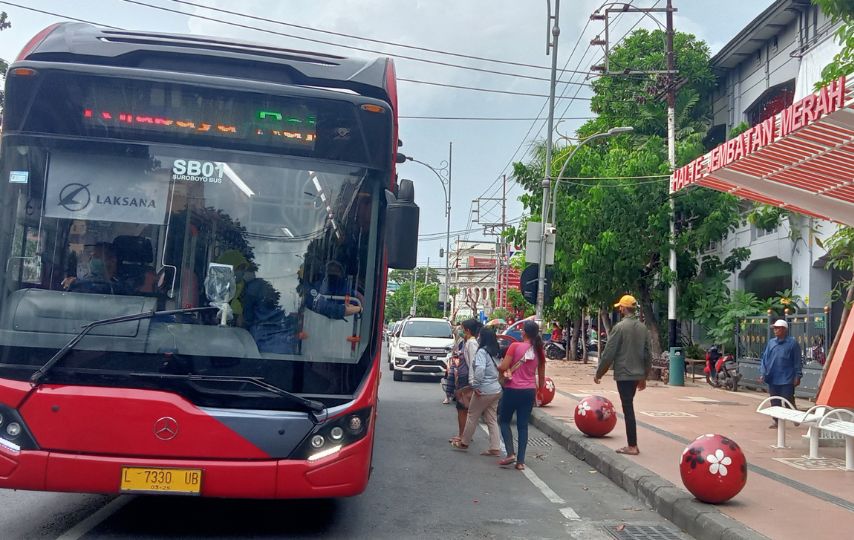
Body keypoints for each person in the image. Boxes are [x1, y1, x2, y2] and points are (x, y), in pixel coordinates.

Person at [594, 294, 652, 456]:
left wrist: (599, 372)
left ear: (625, 309)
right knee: (629, 405)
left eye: (620, 307)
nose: (619, 309)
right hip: (637, 375)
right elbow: (648, 355)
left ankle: (632, 445)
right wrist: (644, 376)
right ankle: (632, 444)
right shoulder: (643, 328)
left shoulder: (619, 328)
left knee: (628, 408)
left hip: (624, 375)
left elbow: (609, 353)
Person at [496, 320, 546, 471]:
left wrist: (500, 368)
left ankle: (510, 453)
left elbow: (504, 367)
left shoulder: (515, 346)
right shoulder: (539, 350)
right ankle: (521, 462)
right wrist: (540, 391)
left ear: (524, 332)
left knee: (503, 420)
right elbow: (542, 377)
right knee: (523, 426)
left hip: (512, 389)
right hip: (529, 391)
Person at [451, 327, 502, 455]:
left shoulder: (482, 352)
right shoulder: (496, 352)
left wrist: (476, 386)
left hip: (484, 389)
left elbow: (479, 371)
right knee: (491, 418)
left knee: (472, 415)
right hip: (496, 389)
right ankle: (495, 447)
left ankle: (464, 442)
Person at [759, 319, 802, 428]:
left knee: (788, 399)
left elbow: (797, 361)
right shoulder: (771, 342)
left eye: (777, 328)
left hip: (787, 376)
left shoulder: (792, 344)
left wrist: (798, 375)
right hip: (773, 376)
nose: (775, 330)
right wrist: (763, 373)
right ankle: (776, 420)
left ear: (784, 329)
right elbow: (765, 358)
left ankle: (795, 416)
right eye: (774, 328)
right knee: (774, 400)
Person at [449, 319, 480, 445]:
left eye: (462, 328)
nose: (460, 331)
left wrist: (472, 381)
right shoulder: (467, 342)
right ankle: (464, 434)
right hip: (464, 377)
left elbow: (473, 363)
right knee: (465, 408)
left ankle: (462, 435)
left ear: (467, 330)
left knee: (462, 408)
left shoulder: (472, 343)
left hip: (466, 379)